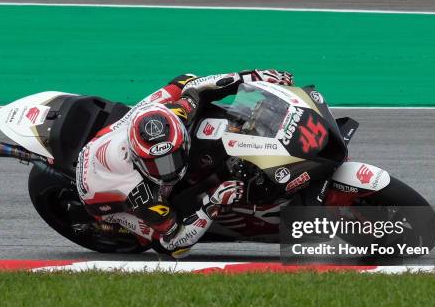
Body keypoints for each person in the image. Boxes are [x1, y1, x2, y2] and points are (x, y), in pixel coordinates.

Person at [76, 69, 294, 258]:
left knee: (184, 81)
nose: (170, 168)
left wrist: (251, 76)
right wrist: (212, 203)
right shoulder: (141, 195)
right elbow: (173, 245)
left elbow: (197, 86)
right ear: (140, 161)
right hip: (97, 190)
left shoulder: (178, 113)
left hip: (121, 133)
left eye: (173, 157)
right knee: (155, 235)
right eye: (159, 164)